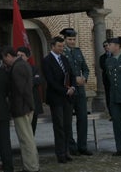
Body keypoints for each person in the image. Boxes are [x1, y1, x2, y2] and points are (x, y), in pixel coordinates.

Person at [2, 47, 39, 172]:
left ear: (8, 56)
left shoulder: (18, 67)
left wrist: (29, 106)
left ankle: (32, 167)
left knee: (26, 139)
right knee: (27, 139)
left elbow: (23, 89)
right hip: (24, 107)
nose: (4, 62)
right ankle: (30, 165)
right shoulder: (21, 65)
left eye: (4, 59)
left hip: (22, 108)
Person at [42, 36, 76, 164]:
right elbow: (50, 81)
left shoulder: (64, 59)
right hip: (56, 98)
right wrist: (64, 90)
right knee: (59, 126)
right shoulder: (47, 60)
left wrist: (72, 87)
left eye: (62, 46)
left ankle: (67, 151)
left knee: (67, 126)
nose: (61, 48)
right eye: (59, 46)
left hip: (68, 98)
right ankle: (60, 153)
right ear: (53, 46)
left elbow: (71, 74)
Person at [60, 28, 92, 156]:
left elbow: (85, 68)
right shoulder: (62, 53)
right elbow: (62, 72)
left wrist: (84, 77)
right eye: (70, 39)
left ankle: (82, 146)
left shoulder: (78, 52)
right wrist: (74, 79)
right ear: (65, 39)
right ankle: (71, 147)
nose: (72, 42)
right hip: (69, 90)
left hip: (81, 90)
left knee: (83, 118)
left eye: (74, 39)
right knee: (68, 120)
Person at [16, 46, 43, 134]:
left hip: (33, 102)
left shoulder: (34, 68)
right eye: (18, 55)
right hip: (20, 103)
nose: (19, 58)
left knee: (32, 129)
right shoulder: (14, 69)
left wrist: (25, 81)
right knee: (23, 131)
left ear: (27, 57)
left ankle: (31, 146)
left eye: (22, 55)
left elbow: (39, 80)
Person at [99, 41, 112, 115]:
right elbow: (103, 66)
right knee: (109, 97)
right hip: (107, 79)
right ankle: (111, 114)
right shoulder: (102, 57)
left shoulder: (115, 55)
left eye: (107, 45)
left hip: (116, 80)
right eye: (104, 46)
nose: (106, 47)